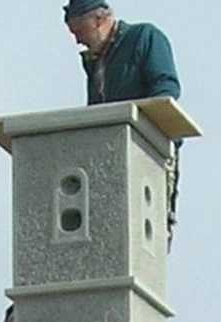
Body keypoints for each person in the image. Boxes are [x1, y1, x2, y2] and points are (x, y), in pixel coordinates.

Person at [63, 0, 183, 248]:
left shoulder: (144, 38)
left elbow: (166, 90)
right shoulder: (96, 62)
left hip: (149, 153)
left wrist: (135, 123)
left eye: (79, 31)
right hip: (110, 155)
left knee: (146, 237)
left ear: (98, 19)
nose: (78, 41)